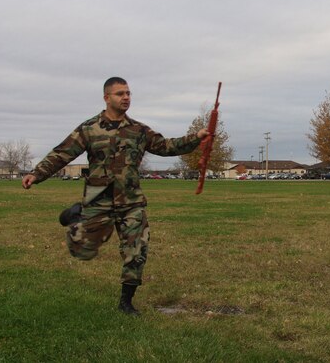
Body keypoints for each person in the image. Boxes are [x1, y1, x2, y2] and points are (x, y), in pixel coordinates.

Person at [22, 77, 209, 316]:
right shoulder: (89, 129)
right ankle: (75, 215)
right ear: (106, 97)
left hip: (131, 201)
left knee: (137, 250)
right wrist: (36, 174)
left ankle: (126, 302)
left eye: (129, 93)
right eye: (120, 93)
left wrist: (197, 137)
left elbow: (166, 146)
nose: (126, 98)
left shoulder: (139, 130)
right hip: (98, 199)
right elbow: (62, 154)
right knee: (83, 250)